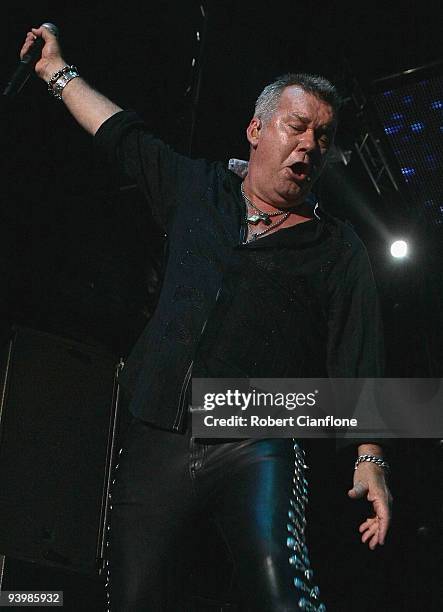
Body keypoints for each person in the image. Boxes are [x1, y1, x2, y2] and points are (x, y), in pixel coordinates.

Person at [20, 24, 393, 612]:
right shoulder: (198, 189)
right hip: (156, 429)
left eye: (323, 136)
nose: (310, 145)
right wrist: (54, 71)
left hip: (253, 430)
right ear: (256, 129)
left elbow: (359, 355)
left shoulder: (335, 247)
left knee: (278, 581)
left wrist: (370, 459)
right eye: (297, 127)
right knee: (133, 597)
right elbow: (121, 133)